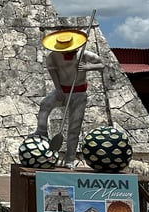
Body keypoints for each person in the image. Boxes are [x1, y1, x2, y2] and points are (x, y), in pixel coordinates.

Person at [36, 28, 104, 167]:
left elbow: (102, 64)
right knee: (45, 105)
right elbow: (53, 71)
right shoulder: (53, 56)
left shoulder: (83, 54)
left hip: (78, 93)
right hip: (62, 91)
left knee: (74, 127)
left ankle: (69, 159)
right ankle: (41, 132)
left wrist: (88, 67)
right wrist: (58, 88)